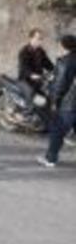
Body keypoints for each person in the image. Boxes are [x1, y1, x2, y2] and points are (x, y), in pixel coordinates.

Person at [37, 35, 76, 168]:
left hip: (68, 104)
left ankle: (50, 159)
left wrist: (54, 101)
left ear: (63, 46)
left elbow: (61, 84)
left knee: (57, 131)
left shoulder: (65, 62)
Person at [18, 28, 55, 93]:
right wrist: (32, 75)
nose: (40, 41)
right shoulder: (24, 52)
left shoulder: (40, 51)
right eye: (38, 38)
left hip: (39, 80)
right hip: (26, 80)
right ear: (31, 38)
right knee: (34, 99)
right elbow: (24, 67)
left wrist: (55, 70)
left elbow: (47, 63)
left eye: (41, 39)